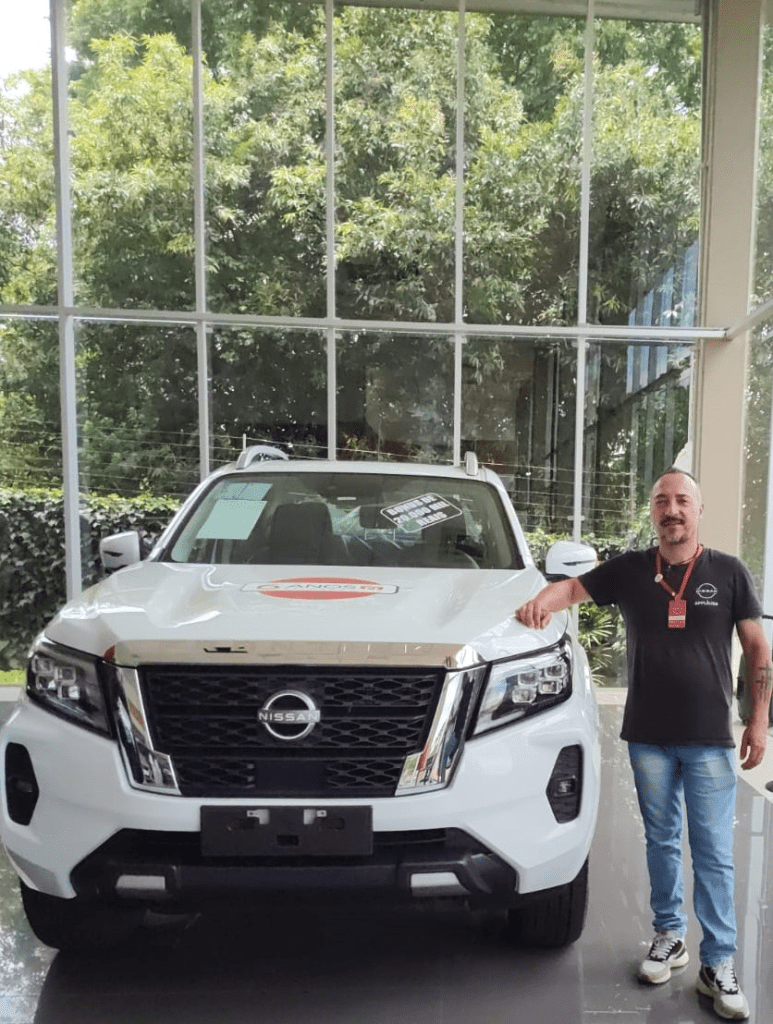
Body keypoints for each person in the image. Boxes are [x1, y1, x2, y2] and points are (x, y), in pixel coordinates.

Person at [516, 468, 772, 1022]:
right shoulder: (631, 569)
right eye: (661, 501)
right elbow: (572, 589)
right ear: (652, 511)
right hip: (648, 738)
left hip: (709, 740)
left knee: (713, 852)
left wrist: (758, 722)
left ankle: (719, 962)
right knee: (660, 841)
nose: (671, 509)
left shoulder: (729, 572)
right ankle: (669, 937)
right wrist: (541, 601)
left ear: (698, 510)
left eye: (681, 500)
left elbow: (758, 649)